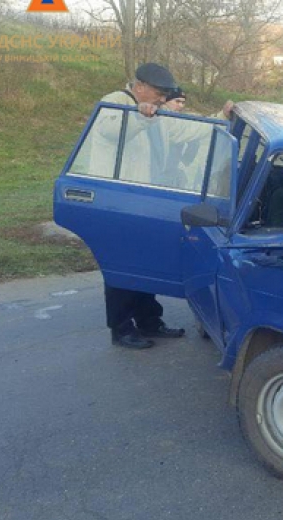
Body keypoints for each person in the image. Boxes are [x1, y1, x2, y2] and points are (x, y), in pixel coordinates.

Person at [95, 63, 188, 349]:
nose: (161, 100)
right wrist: (141, 117)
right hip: (118, 199)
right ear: (141, 87)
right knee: (122, 263)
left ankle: (149, 320)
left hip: (145, 199)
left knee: (147, 263)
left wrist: (221, 118)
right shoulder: (116, 102)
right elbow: (111, 132)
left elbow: (180, 134)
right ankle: (121, 328)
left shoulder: (153, 111)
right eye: (159, 94)